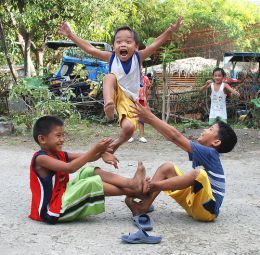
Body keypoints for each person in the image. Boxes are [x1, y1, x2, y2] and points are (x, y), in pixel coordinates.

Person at [58, 17, 183, 164]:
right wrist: (71, 35)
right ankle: (108, 105)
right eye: (119, 42)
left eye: (128, 42)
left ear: (136, 47)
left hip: (130, 101)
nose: (123, 44)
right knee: (109, 77)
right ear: (113, 46)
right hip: (114, 93)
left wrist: (169, 31)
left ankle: (114, 146)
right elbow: (89, 48)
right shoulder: (111, 57)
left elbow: (155, 44)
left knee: (129, 128)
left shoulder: (138, 56)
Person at [126, 102, 237, 222]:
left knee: (198, 174)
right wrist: (150, 119)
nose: (205, 129)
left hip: (208, 210)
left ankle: (152, 187)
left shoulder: (210, 153)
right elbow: (172, 138)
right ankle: (143, 206)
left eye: (210, 129)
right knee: (167, 168)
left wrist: (151, 118)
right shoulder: (206, 152)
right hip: (195, 204)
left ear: (216, 142)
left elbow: (176, 137)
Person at [29, 115, 146, 224]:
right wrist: (95, 149)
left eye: (63, 135)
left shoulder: (58, 154)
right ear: (42, 139)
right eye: (58, 135)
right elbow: (70, 168)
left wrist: (102, 153)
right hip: (52, 211)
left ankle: (131, 183)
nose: (62, 139)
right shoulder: (41, 158)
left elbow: (87, 157)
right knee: (90, 183)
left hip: (62, 196)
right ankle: (134, 191)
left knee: (89, 171)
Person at [128, 72, 152, 143]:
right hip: (132, 100)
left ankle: (142, 136)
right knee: (131, 117)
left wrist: (146, 100)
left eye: (140, 67)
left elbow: (147, 90)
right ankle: (130, 136)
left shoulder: (145, 78)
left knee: (141, 118)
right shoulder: (130, 77)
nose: (139, 69)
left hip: (141, 100)